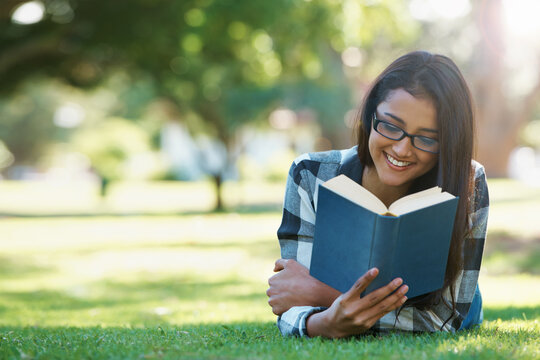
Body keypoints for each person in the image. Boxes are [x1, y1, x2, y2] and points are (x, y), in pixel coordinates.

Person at [266, 50, 489, 338]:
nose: (401, 149)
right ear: (371, 115)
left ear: (448, 142)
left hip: (445, 295)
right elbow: (291, 298)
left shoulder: (470, 181)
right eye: (391, 126)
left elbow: (443, 319)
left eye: (426, 138)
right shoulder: (309, 175)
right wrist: (323, 324)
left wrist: (321, 294)